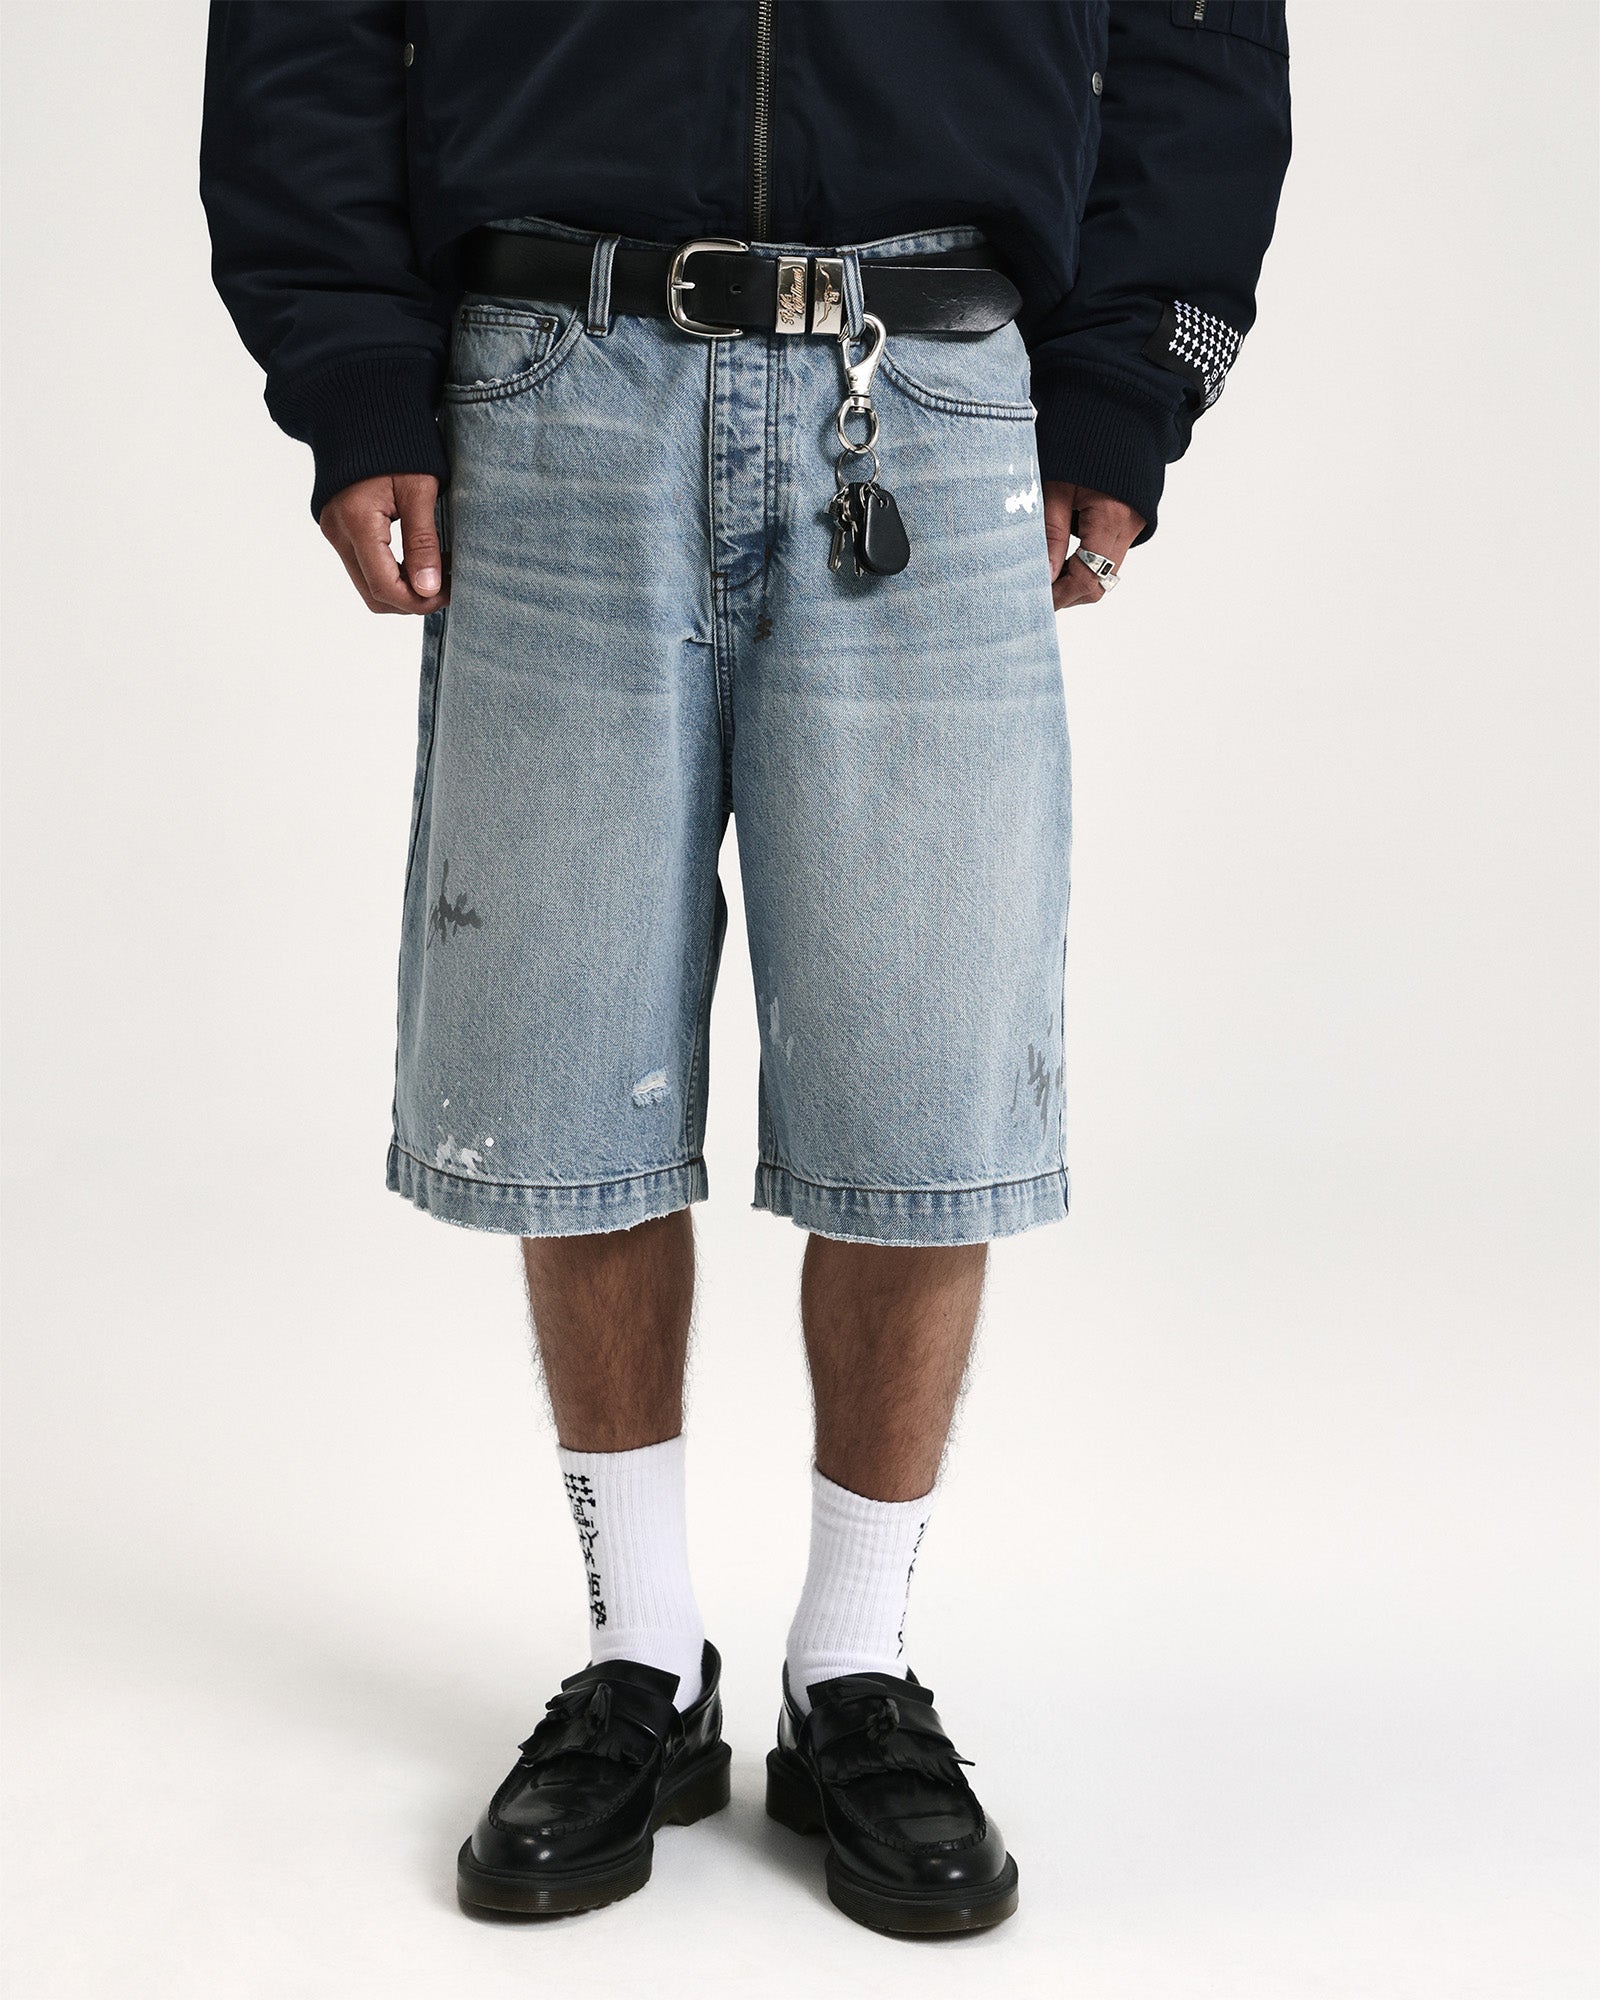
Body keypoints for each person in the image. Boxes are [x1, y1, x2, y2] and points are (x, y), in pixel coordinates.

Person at [200, 0, 1290, 1938]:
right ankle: (644, 1656)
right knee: (569, 1056)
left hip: (933, 373)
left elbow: (1200, 26)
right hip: (548, 368)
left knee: (921, 1067)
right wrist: (351, 368)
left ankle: (852, 1663)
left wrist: (1129, 370)